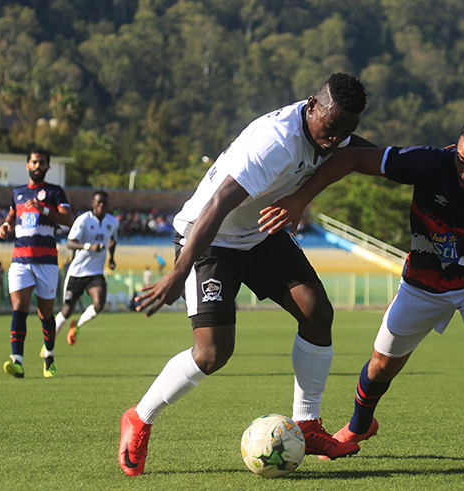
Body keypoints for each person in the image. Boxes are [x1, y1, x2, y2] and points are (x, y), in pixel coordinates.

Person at [258, 114, 464, 472]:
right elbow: (351, 158)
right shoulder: (429, 162)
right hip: (421, 284)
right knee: (381, 367)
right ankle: (360, 425)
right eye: (461, 161)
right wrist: (299, 200)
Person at [120, 73, 372, 476]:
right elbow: (217, 205)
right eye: (331, 127)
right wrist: (178, 271)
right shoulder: (274, 143)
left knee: (317, 312)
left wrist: (426, 162)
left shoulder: (333, 133)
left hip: (259, 235)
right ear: (312, 105)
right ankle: (139, 417)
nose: (336, 138)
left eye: (347, 131)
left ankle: (306, 424)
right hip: (209, 239)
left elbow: (366, 155)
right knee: (212, 354)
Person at [0, 149, 74, 379]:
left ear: (48, 167)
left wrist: (45, 209)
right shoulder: (18, 193)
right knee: (19, 307)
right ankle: (17, 361)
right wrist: (5, 225)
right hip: (20, 259)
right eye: (34, 162)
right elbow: (12, 216)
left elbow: (67, 219)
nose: (37, 165)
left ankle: (48, 354)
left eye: (41, 162)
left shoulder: (54, 192)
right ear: (27, 165)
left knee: (45, 313)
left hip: (47, 261)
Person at [48, 190, 118, 349]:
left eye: (104, 203)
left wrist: (112, 259)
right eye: (98, 203)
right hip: (77, 272)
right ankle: (48, 346)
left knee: (99, 305)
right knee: (66, 310)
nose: (101, 206)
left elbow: (113, 241)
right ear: (93, 203)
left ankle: (77, 325)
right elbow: (70, 243)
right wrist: (89, 246)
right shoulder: (83, 220)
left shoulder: (112, 222)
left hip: (95, 272)